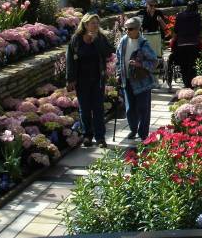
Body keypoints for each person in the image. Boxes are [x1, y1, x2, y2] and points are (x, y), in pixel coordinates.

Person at [66, 13, 115, 148]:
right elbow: (70, 60)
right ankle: (87, 135)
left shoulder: (100, 38)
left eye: (97, 23)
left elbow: (108, 52)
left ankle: (100, 138)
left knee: (98, 108)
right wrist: (70, 79)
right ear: (85, 24)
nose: (95, 25)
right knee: (85, 109)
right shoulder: (76, 39)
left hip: (98, 79)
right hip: (82, 80)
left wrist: (96, 41)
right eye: (92, 23)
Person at [116, 17, 158, 141]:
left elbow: (154, 61)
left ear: (138, 29)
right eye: (125, 29)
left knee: (143, 108)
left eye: (130, 29)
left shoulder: (143, 43)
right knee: (129, 109)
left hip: (142, 82)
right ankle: (133, 129)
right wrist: (119, 73)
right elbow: (118, 59)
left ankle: (143, 133)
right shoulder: (123, 41)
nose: (127, 31)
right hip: (127, 80)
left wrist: (141, 64)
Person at [168, 1, 202, 88]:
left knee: (183, 66)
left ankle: (186, 84)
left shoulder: (180, 15)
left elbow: (176, 30)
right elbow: (199, 30)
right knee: (193, 65)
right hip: (194, 44)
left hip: (181, 45)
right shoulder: (197, 16)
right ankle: (192, 83)